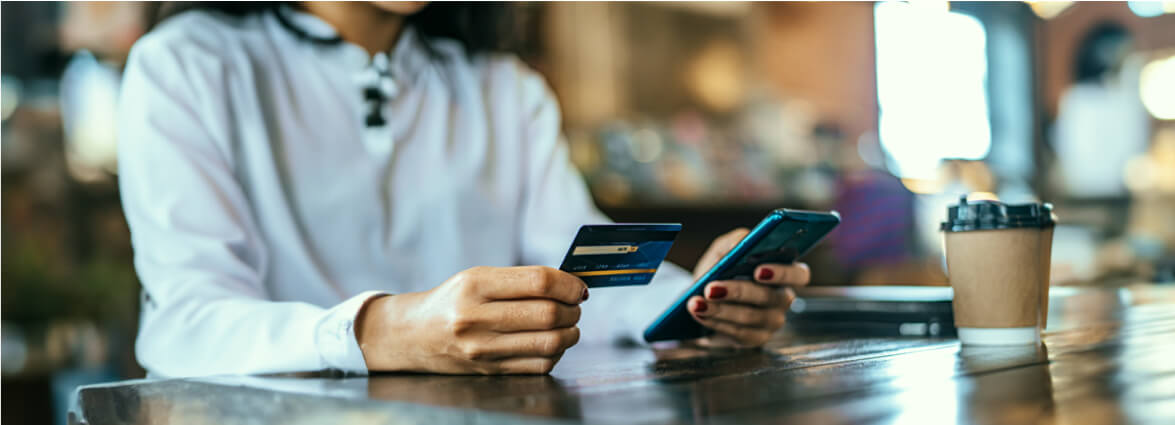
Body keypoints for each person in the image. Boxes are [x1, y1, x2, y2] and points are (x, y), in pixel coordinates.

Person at [118, 2, 810, 377]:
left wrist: (697, 300)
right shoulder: (188, 66)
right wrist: (384, 331)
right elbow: (186, 323)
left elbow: (583, 275)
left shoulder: (502, 89)